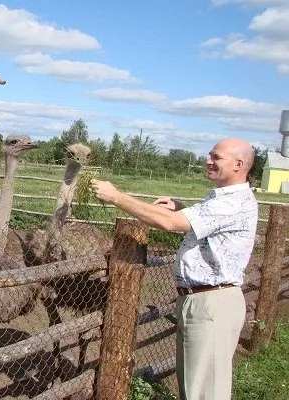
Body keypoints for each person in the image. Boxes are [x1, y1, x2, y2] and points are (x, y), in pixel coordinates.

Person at [91, 137, 258, 400]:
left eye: (216, 157)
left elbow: (170, 224)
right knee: (195, 388)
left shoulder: (231, 202)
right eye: (210, 155)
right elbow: (203, 225)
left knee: (204, 393)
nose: (208, 160)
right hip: (205, 300)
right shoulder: (225, 198)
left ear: (239, 164)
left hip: (210, 303)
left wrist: (117, 197)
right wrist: (181, 208)